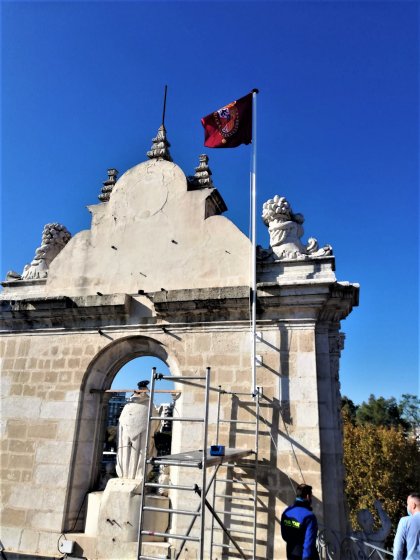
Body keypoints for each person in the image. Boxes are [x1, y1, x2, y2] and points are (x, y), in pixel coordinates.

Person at [281, 483, 320, 560]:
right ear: (308, 496)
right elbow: (309, 544)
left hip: (291, 553)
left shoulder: (286, 512)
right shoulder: (309, 516)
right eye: (311, 496)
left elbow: (284, 535)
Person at [394, 492, 420, 560]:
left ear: (413, 505)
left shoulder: (405, 521)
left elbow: (398, 549)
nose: (407, 506)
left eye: (408, 504)